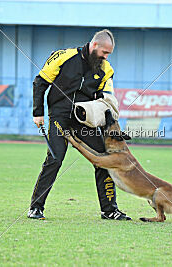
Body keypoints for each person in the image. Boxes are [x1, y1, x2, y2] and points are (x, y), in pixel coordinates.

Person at [28, 29, 131, 221]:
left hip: (84, 120)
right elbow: (40, 82)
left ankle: (109, 210)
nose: (106, 57)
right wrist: (38, 113)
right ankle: (36, 207)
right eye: (104, 53)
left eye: (109, 54)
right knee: (55, 159)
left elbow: (105, 100)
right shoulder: (63, 56)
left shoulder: (106, 69)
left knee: (104, 159)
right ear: (94, 45)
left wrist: (108, 126)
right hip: (59, 116)